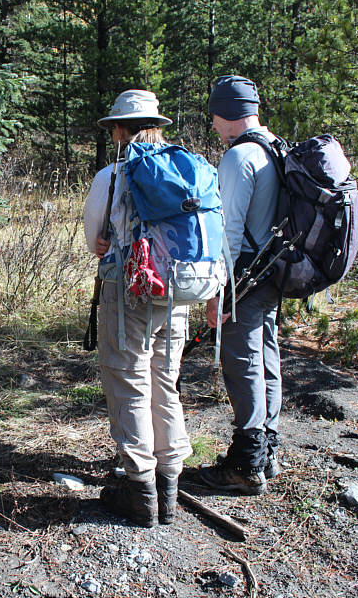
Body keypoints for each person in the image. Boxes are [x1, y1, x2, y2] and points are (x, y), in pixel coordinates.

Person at [83, 89, 192, 527]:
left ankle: (140, 492)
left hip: (128, 292)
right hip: (178, 293)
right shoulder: (184, 170)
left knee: (129, 383)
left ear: (120, 130)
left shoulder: (112, 175)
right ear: (157, 126)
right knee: (164, 383)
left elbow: (95, 242)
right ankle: (169, 488)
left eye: (114, 127)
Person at [200, 75, 283, 495]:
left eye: (213, 115)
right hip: (274, 271)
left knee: (242, 361)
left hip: (245, 275)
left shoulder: (239, 158)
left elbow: (228, 232)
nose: (212, 124)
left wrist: (219, 291)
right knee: (265, 352)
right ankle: (266, 451)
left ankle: (246, 463)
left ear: (224, 113)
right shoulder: (275, 147)